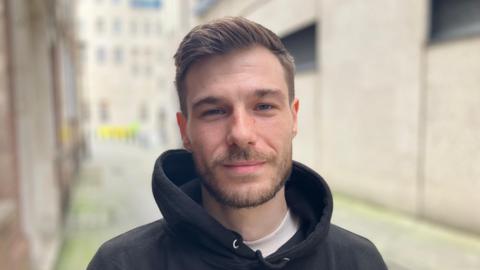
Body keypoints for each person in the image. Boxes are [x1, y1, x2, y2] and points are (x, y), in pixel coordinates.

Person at [88, 17, 387, 270]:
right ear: (185, 131)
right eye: (214, 111)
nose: (241, 134)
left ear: (294, 118)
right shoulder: (120, 264)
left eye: (264, 106)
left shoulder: (359, 261)